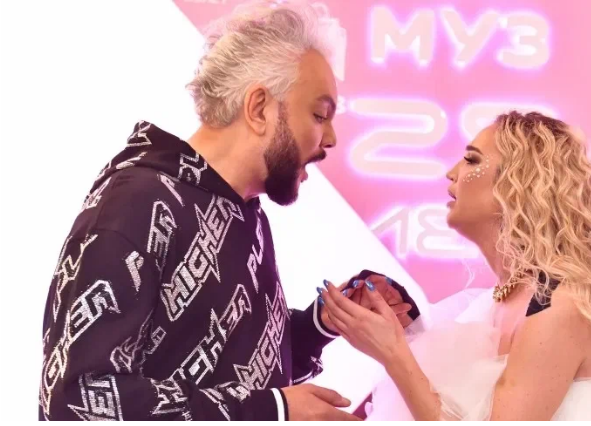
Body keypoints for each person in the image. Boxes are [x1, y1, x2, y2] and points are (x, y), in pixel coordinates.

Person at [38, 1, 417, 421]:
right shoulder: (136, 204)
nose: (330, 138)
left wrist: (321, 322)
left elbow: (231, 368)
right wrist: (274, 410)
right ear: (258, 108)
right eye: (318, 114)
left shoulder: (244, 212)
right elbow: (76, 401)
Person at [321, 111, 591, 421]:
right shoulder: (497, 301)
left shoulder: (559, 302)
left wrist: (393, 353)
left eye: (471, 160)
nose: (452, 173)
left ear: (519, 183)